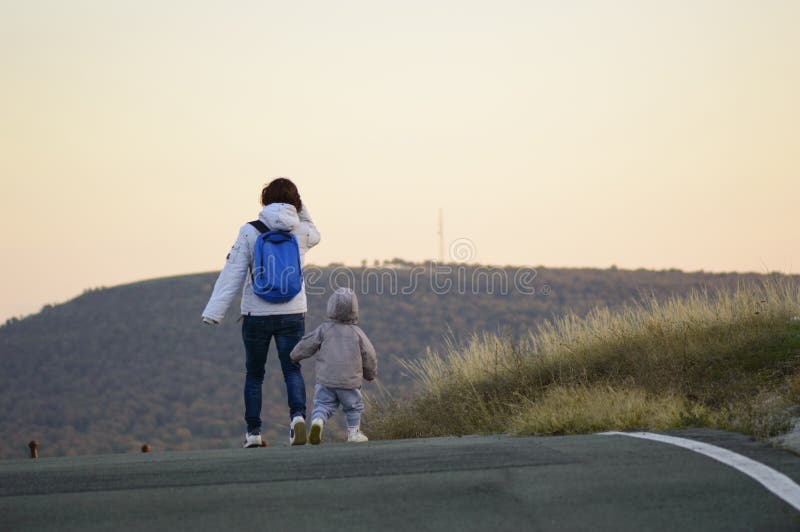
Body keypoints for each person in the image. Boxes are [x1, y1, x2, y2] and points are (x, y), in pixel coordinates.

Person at [202, 178, 320, 448]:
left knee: (255, 374)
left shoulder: (249, 231)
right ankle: (298, 419)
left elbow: (233, 272)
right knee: (292, 369)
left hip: (256, 314)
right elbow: (316, 231)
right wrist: (299, 207)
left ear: (264, 200)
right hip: (293, 312)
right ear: (296, 203)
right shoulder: (301, 232)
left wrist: (214, 312)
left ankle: (253, 433)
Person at [290, 287, 377, 444]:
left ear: (330, 307)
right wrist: (369, 374)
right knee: (353, 407)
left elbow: (307, 344)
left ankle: (318, 421)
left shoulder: (324, 329)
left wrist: (294, 356)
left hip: (326, 380)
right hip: (350, 382)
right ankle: (353, 434)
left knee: (322, 405)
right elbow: (369, 355)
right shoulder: (357, 333)